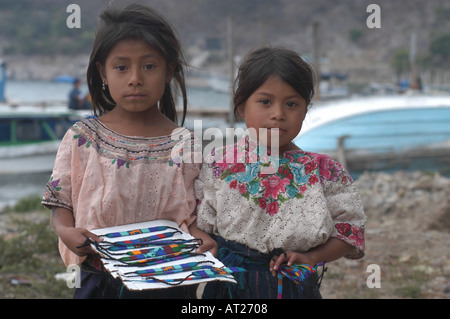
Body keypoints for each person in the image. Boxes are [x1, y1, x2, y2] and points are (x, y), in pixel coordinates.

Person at [42, 4, 213, 299]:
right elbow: (62, 203)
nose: (135, 78)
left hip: (170, 281)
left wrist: (202, 237)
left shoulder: (185, 143)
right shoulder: (83, 138)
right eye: (122, 67)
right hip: (101, 281)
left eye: (149, 66)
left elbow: (192, 213)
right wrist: (66, 232)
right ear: (103, 72)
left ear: (169, 69)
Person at [195, 47, 366, 299]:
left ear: (305, 111)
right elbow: (193, 216)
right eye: (265, 102)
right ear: (241, 107)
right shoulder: (219, 164)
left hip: (294, 287)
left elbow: (349, 229)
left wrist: (311, 257)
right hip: (230, 286)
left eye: (291, 104)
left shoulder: (325, 171)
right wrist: (202, 239)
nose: (278, 114)